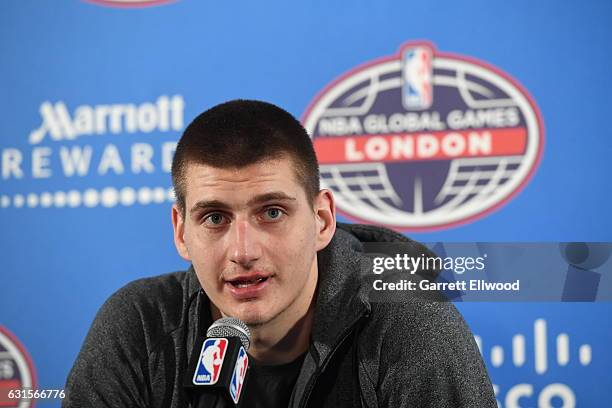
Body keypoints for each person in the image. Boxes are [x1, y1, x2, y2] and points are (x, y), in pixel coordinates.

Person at [63, 100, 497, 407]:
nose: (243, 251)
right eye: (214, 218)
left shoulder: (410, 323)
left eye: (271, 212)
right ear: (181, 232)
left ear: (322, 220)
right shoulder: (139, 326)